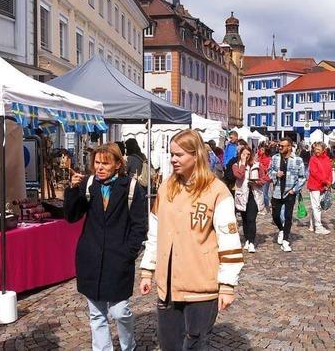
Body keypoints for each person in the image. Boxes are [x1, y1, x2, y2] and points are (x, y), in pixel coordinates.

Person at [139, 129, 243, 350]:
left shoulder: (217, 191)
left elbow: (229, 241)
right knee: (169, 345)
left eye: (179, 155)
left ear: (195, 155)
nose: (173, 159)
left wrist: (227, 286)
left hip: (201, 286)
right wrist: (147, 270)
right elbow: (155, 233)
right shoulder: (166, 187)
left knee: (195, 343)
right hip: (168, 284)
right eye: (172, 154)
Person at [64, 143, 147, 351]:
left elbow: (139, 225)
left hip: (118, 260)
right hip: (91, 259)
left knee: (120, 311)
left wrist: (128, 253)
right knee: (97, 314)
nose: (99, 167)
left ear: (118, 164)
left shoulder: (131, 187)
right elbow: (72, 216)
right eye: (97, 163)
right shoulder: (89, 184)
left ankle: (129, 345)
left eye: (105, 163)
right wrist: (72, 190)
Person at [268, 137, 306, 252]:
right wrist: (275, 174)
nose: (279, 147)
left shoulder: (297, 160)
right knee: (275, 215)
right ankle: (281, 229)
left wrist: (294, 190)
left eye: (282, 146)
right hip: (277, 191)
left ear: (289, 147)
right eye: (279, 145)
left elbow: (302, 177)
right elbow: (269, 171)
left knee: (288, 216)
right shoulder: (275, 158)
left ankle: (285, 240)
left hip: (290, 192)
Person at [233, 146, 268, 253]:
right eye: (244, 154)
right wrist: (243, 163)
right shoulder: (236, 165)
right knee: (245, 220)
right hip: (242, 196)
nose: (246, 156)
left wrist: (256, 182)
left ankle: (252, 242)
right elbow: (239, 175)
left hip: (254, 195)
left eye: (248, 154)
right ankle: (247, 239)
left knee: (251, 219)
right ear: (240, 154)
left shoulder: (257, 165)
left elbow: (265, 178)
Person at [307, 142, 333, 234]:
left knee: (318, 206)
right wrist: (325, 181)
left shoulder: (327, 159)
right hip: (315, 185)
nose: (316, 151)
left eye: (318, 149)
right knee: (316, 206)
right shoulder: (313, 159)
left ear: (323, 150)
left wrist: (329, 182)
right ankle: (318, 226)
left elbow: (329, 171)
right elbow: (314, 173)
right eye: (315, 149)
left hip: (324, 186)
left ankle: (312, 223)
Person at [256, 144, 272, 215]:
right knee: (260, 193)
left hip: (265, 178)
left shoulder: (268, 159)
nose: (260, 151)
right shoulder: (259, 158)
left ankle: (267, 207)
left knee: (265, 193)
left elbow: (269, 169)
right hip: (259, 178)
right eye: (260, 149)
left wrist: (262, 166)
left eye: (262, 150)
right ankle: (262, 207)